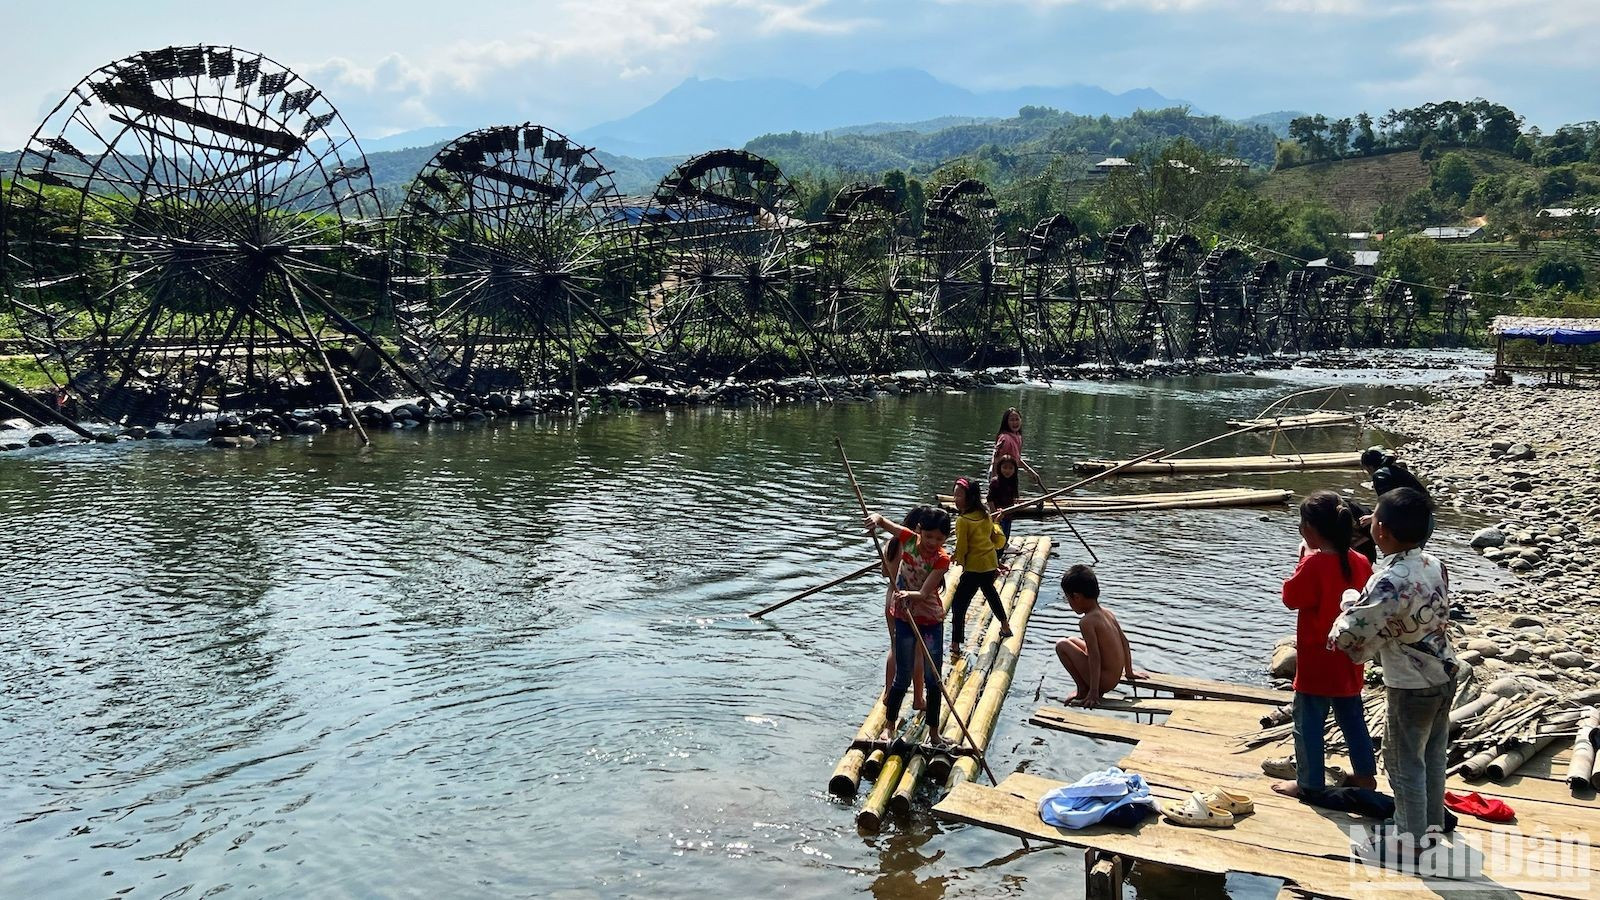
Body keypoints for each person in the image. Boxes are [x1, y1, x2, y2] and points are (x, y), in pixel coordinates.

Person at [1330, 487, 1458, 865]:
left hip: (1411, 683)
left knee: (1402, 762)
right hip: (1444, 672)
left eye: (1373, 516)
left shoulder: (1389, 579)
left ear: (1381, 531)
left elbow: (1350, 632)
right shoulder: (1433, 564)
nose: (1368, 520)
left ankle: (1410, 841)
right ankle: (1428, 825)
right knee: (1431, 756)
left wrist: (1348, 603)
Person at [1273, 491, 1377, 800]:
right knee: (1353, 718)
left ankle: (1309, 783)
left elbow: (1291, 598)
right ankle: (1364, 776)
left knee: (1308, 724)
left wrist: (1303, 558)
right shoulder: (1361, 561)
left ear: (1310, 529)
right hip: (1350, 657)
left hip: (1317, 660)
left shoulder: (1314, 563)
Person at [865, 507, 954, 744]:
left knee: (933, 679)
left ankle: (934, 733)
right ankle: (889, 727)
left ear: (945, 539)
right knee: (902, 677)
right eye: (929, 536)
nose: (932, 543)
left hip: (930, 620)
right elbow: (885, 522)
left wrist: (906, 594)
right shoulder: (908, 539)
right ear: (919, 531)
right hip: (904, 617)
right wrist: (875, 519)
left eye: (939, 539)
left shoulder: (942, 559)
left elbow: (924, 593)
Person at [1054, 565, 1146, 708]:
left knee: (1061, 645)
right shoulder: (1107, 613)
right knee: (1072, 640)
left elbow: (1095, 657)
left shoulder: (1087, 622)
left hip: (1104, 682)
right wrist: (1129, 671)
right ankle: (1089, 687)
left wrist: (1094, 692)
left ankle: (1082, 689)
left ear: (1076, 597)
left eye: (1068, 598)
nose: (1069, 603)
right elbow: (1125, 642)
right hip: (1114, 677)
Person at [877, 506, 932, 711]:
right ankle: (918, 698)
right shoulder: (915, 547)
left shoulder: (891, 543)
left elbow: (885, 572)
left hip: (891, 597)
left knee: (894, 647)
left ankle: (888, 693)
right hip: (910, 601)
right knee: (918, 652)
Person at [950, 477, 1011, 653]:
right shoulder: (985, 515)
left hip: (974, 568)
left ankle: (955, 644)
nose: (955, 499)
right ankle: (1005, 626)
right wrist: (997, 523)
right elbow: (996, 540)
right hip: (989, 565)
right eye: (954, 495)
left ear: (969, 498)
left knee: (959, 604)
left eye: (959, 496)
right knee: (990, 593)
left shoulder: (963, 521)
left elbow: (962, 546)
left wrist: (957, 559)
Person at [990, 407, 1044, 488]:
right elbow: (996, 460)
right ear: (1006, 422)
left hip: (1010, 475)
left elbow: (1016, 459)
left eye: (1017, 419)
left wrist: (1030, 471)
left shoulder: (1018, 436)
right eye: (1011, 420)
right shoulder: (1005, 439)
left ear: (1021, 420)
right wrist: (994, 480)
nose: (1015, 422)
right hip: (1000, 476)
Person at [988, 454, 1022, 543]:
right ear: (1000, 468)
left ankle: (1003, 547)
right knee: (997, 536)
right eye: (1005, 467)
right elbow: (990, 499)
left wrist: (1016, 503)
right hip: (998, 514)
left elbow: (1015, 496)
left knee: (1006, 536)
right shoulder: (995, 482)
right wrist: (994, 513)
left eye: (1011, 468)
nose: (1007, 471)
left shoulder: (1013, 481)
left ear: (1015, 469)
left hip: (1008, 513)